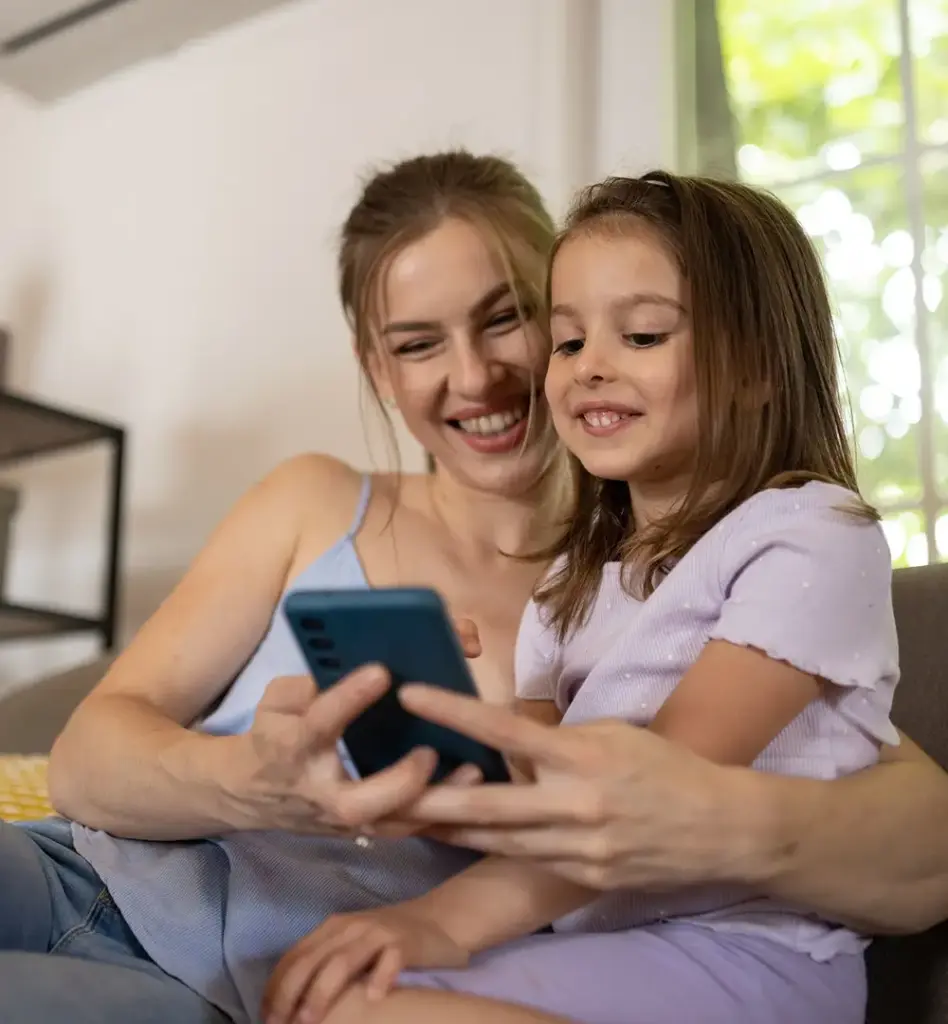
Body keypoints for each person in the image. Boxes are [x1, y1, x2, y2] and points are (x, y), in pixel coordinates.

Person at [0, 151, 940, 1024]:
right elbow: (83, 765)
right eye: (416, 345)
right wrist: (259, 780)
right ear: (378, 369)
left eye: (507, 319)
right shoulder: (326, 504)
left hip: (244, 980)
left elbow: (896, 817)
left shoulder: (727, 582)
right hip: (83, 870)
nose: (475, 377)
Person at [260, 170, 900, 1024]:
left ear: (757, 369)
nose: (589, 368)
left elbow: (645, 799)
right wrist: (430, 729)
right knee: (337, 996)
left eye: (639, 335)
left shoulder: (810, 538)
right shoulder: (571, 584)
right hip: (600, 938)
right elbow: (534, 789)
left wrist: (440, 921)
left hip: (749, 952)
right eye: (566, 342)